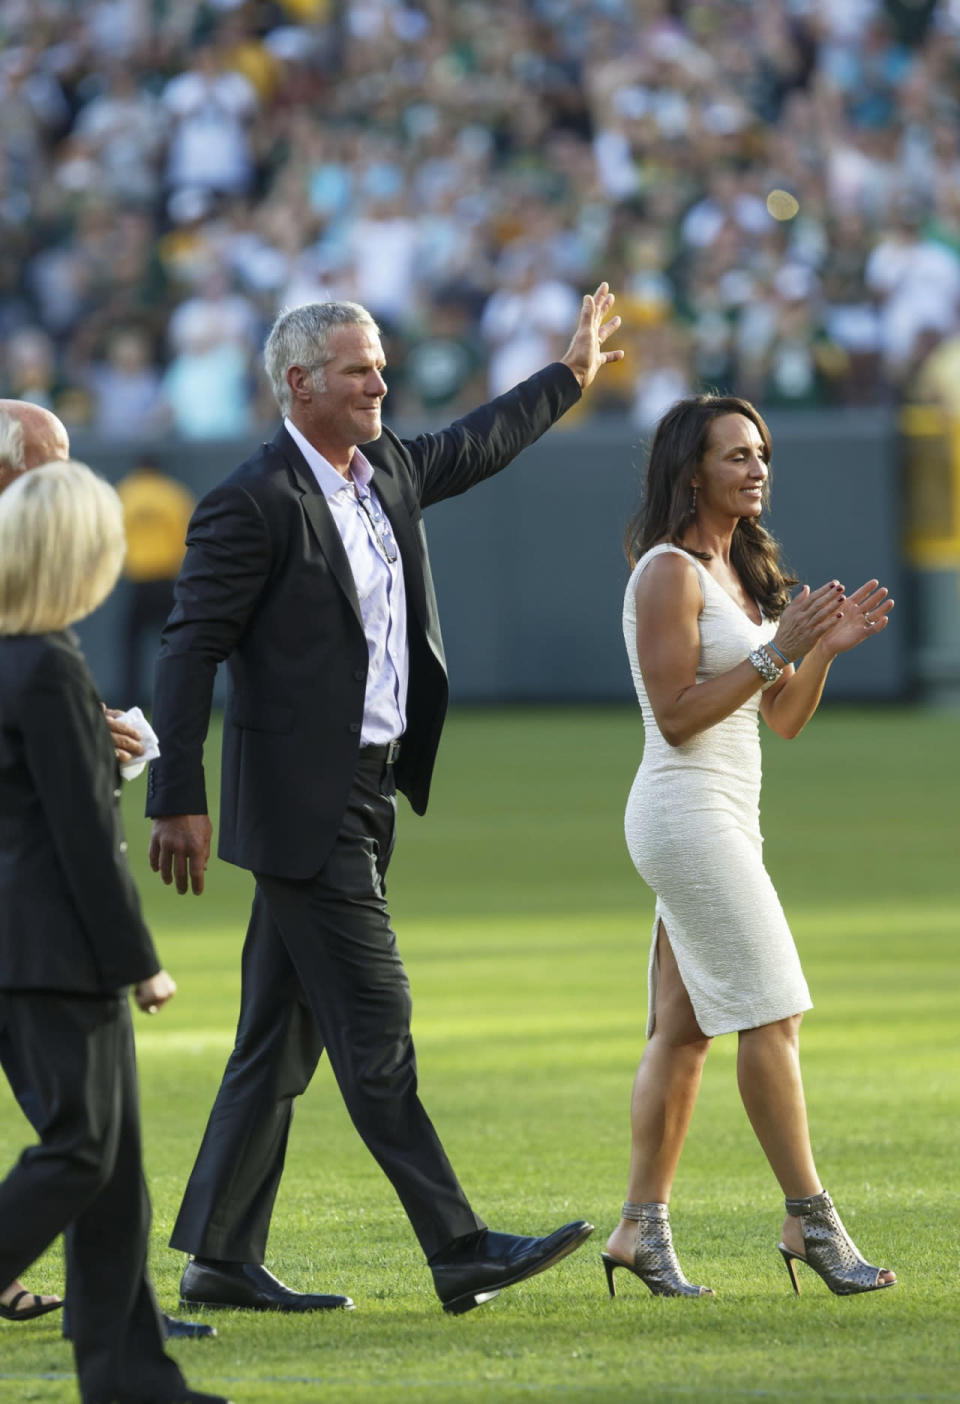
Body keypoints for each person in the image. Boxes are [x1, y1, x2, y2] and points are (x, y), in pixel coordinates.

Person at [147, 288, 623, 1315]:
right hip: (301, 808)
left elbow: (479, 441)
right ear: (300, 383)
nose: (380, 383)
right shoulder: (253, 499)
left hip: (368, 793)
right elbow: (189, 650)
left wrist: (572, 374)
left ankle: (220, 1259)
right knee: (376, 1019)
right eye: (359, 369)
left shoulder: (388, 469)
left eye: (380, 365)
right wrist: (176, 793)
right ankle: (457, 1247)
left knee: (279, 1036)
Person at [604, 394, 896, 1300]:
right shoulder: (668, 571)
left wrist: (821, 653)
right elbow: (680, 718)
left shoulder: (740, 572)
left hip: (728, 813)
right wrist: (779, 651)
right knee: (774, 1011)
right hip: (683, 814)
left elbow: (782, 721)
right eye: (736, 455)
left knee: (683, 1031)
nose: (757, 468)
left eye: (761, 453)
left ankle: (638, 1233)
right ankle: (812, 1222)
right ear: (692, 471)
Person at [0, 460, 228, 1404]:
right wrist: (141, 962)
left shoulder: (25, 659)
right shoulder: (49, 665)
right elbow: (84, 838)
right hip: (55, 948)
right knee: (85, 1149)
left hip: (24, 944)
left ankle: (134, 1378)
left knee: (114, 1172)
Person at [114, 457, 195, 706]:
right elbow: (188, 537)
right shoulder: (173, 493)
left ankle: (131, 701)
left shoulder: (124, 493)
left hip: (138, 582)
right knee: (174, 646)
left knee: (131, 648)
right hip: (167, 581)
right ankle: (175, 698)